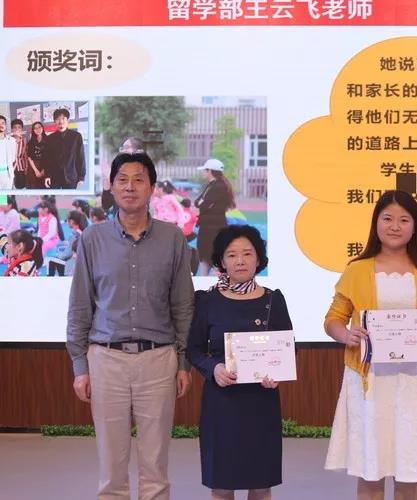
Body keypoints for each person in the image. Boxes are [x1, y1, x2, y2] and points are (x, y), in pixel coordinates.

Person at [66, 151, 195, 500]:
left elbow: (183, 306)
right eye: (122, 180)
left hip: (159, 360)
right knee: (111, 471)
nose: (130, 187)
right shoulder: (92, 239)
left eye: (139, 179)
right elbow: (80, 306)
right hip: (106, 360)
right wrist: (80, 366)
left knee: (156, 469)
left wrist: (183, 362)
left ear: (151, 187)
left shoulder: (172, 239)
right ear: (111, 187)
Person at [324, 190, 417, 500]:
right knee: (371, 468)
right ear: (376, 223)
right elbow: (333, 319)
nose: (395, 226)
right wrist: (345, 335)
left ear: (415, 226)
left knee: (410, 468)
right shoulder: (357, 269)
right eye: (388, 219)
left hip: (413, 380)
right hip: (369, 381)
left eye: (404, 220)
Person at [187, 225, 292, 500]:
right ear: (222, 261)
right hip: (221, 403)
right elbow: (194, 349)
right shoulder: (207, 300)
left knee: (261, 484)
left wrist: (277, 373)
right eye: (232, 255)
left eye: (247, 253)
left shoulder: (273, 300)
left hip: (261, 401)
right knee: (222, 484)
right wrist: (214, 369)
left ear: (258, 259)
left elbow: (287, 349)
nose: (240, 261)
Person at [194, 158, 235, 276]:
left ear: (210, 171)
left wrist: (201, 203)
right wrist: (201, 203)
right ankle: (206, 280)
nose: (203, 172)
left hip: (213, 227)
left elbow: (203, 204)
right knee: (205, 257)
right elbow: (198, 202)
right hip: (207, 226)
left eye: (205, 170)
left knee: (213, 256)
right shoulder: (211, 185)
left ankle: (216, 280)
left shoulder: (218, 186)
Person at [46, 108, 86, 189]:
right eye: (57, 119)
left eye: (63, 118)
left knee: (69, 197)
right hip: (54, 177)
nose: (60, 121)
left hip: (71, 176)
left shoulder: (76, 136)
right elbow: (48, 159)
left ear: (67, 120)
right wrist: (47, 175)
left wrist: (81, 177)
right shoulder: (50, 138)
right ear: (55, 122)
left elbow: (81, 157)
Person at [49, 210, 88, 277]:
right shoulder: (84, 234)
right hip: (81, 268)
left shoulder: (75, 236)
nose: (66, 222)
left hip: (72, 270)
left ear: (72, 221)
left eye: (68, 220)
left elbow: (66, 254)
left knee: (52, 261)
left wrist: (56, 255)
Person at [25, 121, 48, 188]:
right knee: (34, 188)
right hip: (33, 167)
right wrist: (36, 171)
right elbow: (29, 157)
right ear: (33, 130)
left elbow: (50, 156)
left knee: (45, 189)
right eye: (35, 128)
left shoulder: (49, 140)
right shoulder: (30, 142)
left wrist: (44, 170)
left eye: (39, 127)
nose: (37, 129)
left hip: (46, 166)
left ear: (42, 128)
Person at [10, 119, 30, 189]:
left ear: (22, 129)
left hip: (21, 167)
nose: (17, 129)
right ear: (12, 129)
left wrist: (26, 167)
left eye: (19, 127)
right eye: (15, 127)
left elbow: (25, 155)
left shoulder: (24, 140)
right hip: (10, 167)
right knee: (9, 187)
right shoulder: (8, 139)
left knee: (21, 186)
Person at [0, 115, 16, 190]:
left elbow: (13, 158)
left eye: (3, 123)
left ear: (5, 125)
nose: (1, 125)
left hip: (7, 173)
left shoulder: (11, 140)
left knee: (4, 196)